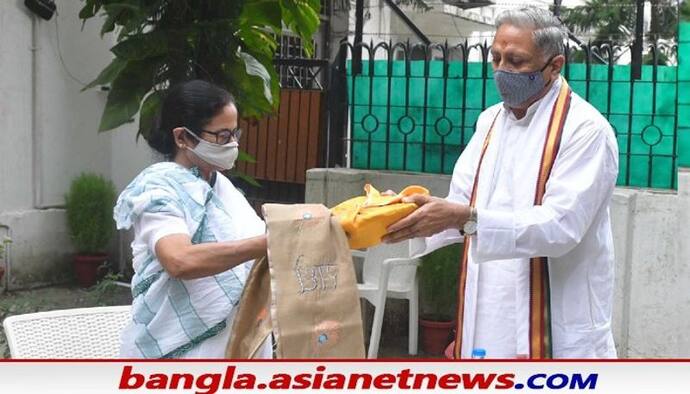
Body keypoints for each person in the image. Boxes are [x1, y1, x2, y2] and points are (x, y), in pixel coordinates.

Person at [384, 7, 619, 359]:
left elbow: (561, 226)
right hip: (489, 314)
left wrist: (465, 218)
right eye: (495, 57)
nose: (501, 70)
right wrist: (409, 213)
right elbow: (460, 202)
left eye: (516, 61)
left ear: (554, 66)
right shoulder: (490, 122)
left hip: (557, 327)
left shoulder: (586, 130)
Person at [114, 80, 272, 358]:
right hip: (179, 354)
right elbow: (179, 260)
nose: (233, 144)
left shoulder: (221, 188)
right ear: (183, 138)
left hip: (235, 345)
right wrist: (268, 244)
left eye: (236, 134)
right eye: (222, 136)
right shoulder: (159, 188)